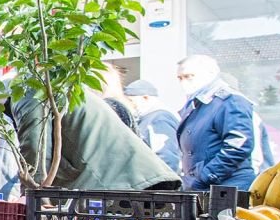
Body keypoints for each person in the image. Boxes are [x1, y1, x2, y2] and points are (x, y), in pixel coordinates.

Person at [13, 92, 179, 191]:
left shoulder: (26, 91)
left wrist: (32, 194)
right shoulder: (64, 86)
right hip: (138, 179)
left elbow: (35, 146)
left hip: (118, 185)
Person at [175, 55, 257, 191]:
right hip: (207, 188)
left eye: (189, 76)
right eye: (180, 78)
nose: (184, 82)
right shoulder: (197, 103)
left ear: (211, 73)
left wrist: (206, 176)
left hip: (227, 189)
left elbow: (239, 146)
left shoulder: (230, 100)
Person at [122, 79, 181, 170]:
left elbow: (167, 157)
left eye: (131, 100)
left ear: (146, 98)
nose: (128, 104)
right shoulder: (147, 118)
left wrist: (165, 182)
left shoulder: (160, 118)